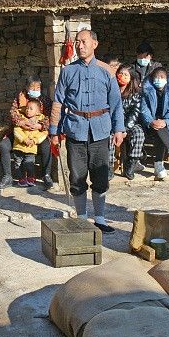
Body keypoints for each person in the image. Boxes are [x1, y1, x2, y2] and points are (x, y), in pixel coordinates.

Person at [50, 29, 125, 234]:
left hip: (100, 130)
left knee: (101, 175)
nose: (79, 45)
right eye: (77, 42)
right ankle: (82, 218)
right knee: (77, 176)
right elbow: (58, 102)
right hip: (75, 129)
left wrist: (119, 128)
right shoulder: (68, 71)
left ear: (95, 44)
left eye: (83, 41)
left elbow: (116, 104)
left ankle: (100, 218)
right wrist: (53, 131)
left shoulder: (106, 71)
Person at [0, 76, 54, 190]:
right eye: (32, 87)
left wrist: (40, 125)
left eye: (38, 87)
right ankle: (7, 176)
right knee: (4, 145)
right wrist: (21, 122)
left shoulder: (45, 100)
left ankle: (46, 175)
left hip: (38, 133)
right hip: (20, 132)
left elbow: (51, 116)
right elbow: (12, 114)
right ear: (27, 87)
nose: (35, 89)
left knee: (47, 146)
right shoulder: (20, 98)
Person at [141, 67, 169, 181]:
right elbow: (144, 109)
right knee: (158, 129)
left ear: (167, 79)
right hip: (150, 123)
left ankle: (159, 165)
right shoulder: (147, 90)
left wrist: (166, 121)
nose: (159, 79)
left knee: (161, 131)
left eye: (162, 77)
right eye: (156, 77)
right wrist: (150, 121)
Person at [116, 65, 146, 180]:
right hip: (113, 124)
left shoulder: (136, 93)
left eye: (126, 75)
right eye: (121, 74)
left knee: (139, 134)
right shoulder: (111, 90)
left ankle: (132, 163)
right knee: (108, 136)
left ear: (131, 78)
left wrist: (125, 128)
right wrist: (118, 128)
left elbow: (135, 112)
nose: (122, 77)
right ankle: (109, 166)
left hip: (130, 123)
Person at [12, 99, 48, 186]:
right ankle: (21, 178)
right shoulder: (21, 118)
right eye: (27, 108)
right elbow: (16, 130)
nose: (28, 110)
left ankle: (31, 177)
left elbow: (44, 133)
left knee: (29, 163)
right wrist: (24, 139)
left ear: (38, 111)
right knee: (18, 164)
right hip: (19, 146)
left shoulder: (41, 120)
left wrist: (35, 140)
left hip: (31, 148)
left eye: (31, 109)